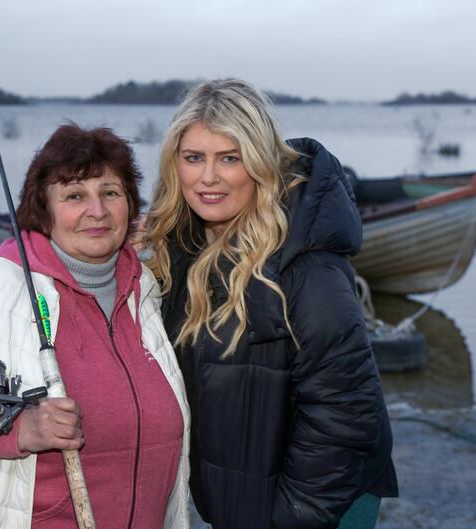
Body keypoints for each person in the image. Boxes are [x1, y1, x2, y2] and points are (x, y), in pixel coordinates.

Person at [0, 124, 190, 529]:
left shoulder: (146, 290)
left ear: (130, 204)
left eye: (110, 193)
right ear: (43, 211)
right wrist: (18, 430)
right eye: (73, 196)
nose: (97, 211)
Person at [144, 79, 398, 529]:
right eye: (194, 158)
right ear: (174, 164)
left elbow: (346, 415)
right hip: (247, 497)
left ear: (261, 163)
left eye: (230, 158)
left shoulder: (306, 266)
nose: (208, 177)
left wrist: (292, 518)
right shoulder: (184, 252)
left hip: (319, 506)